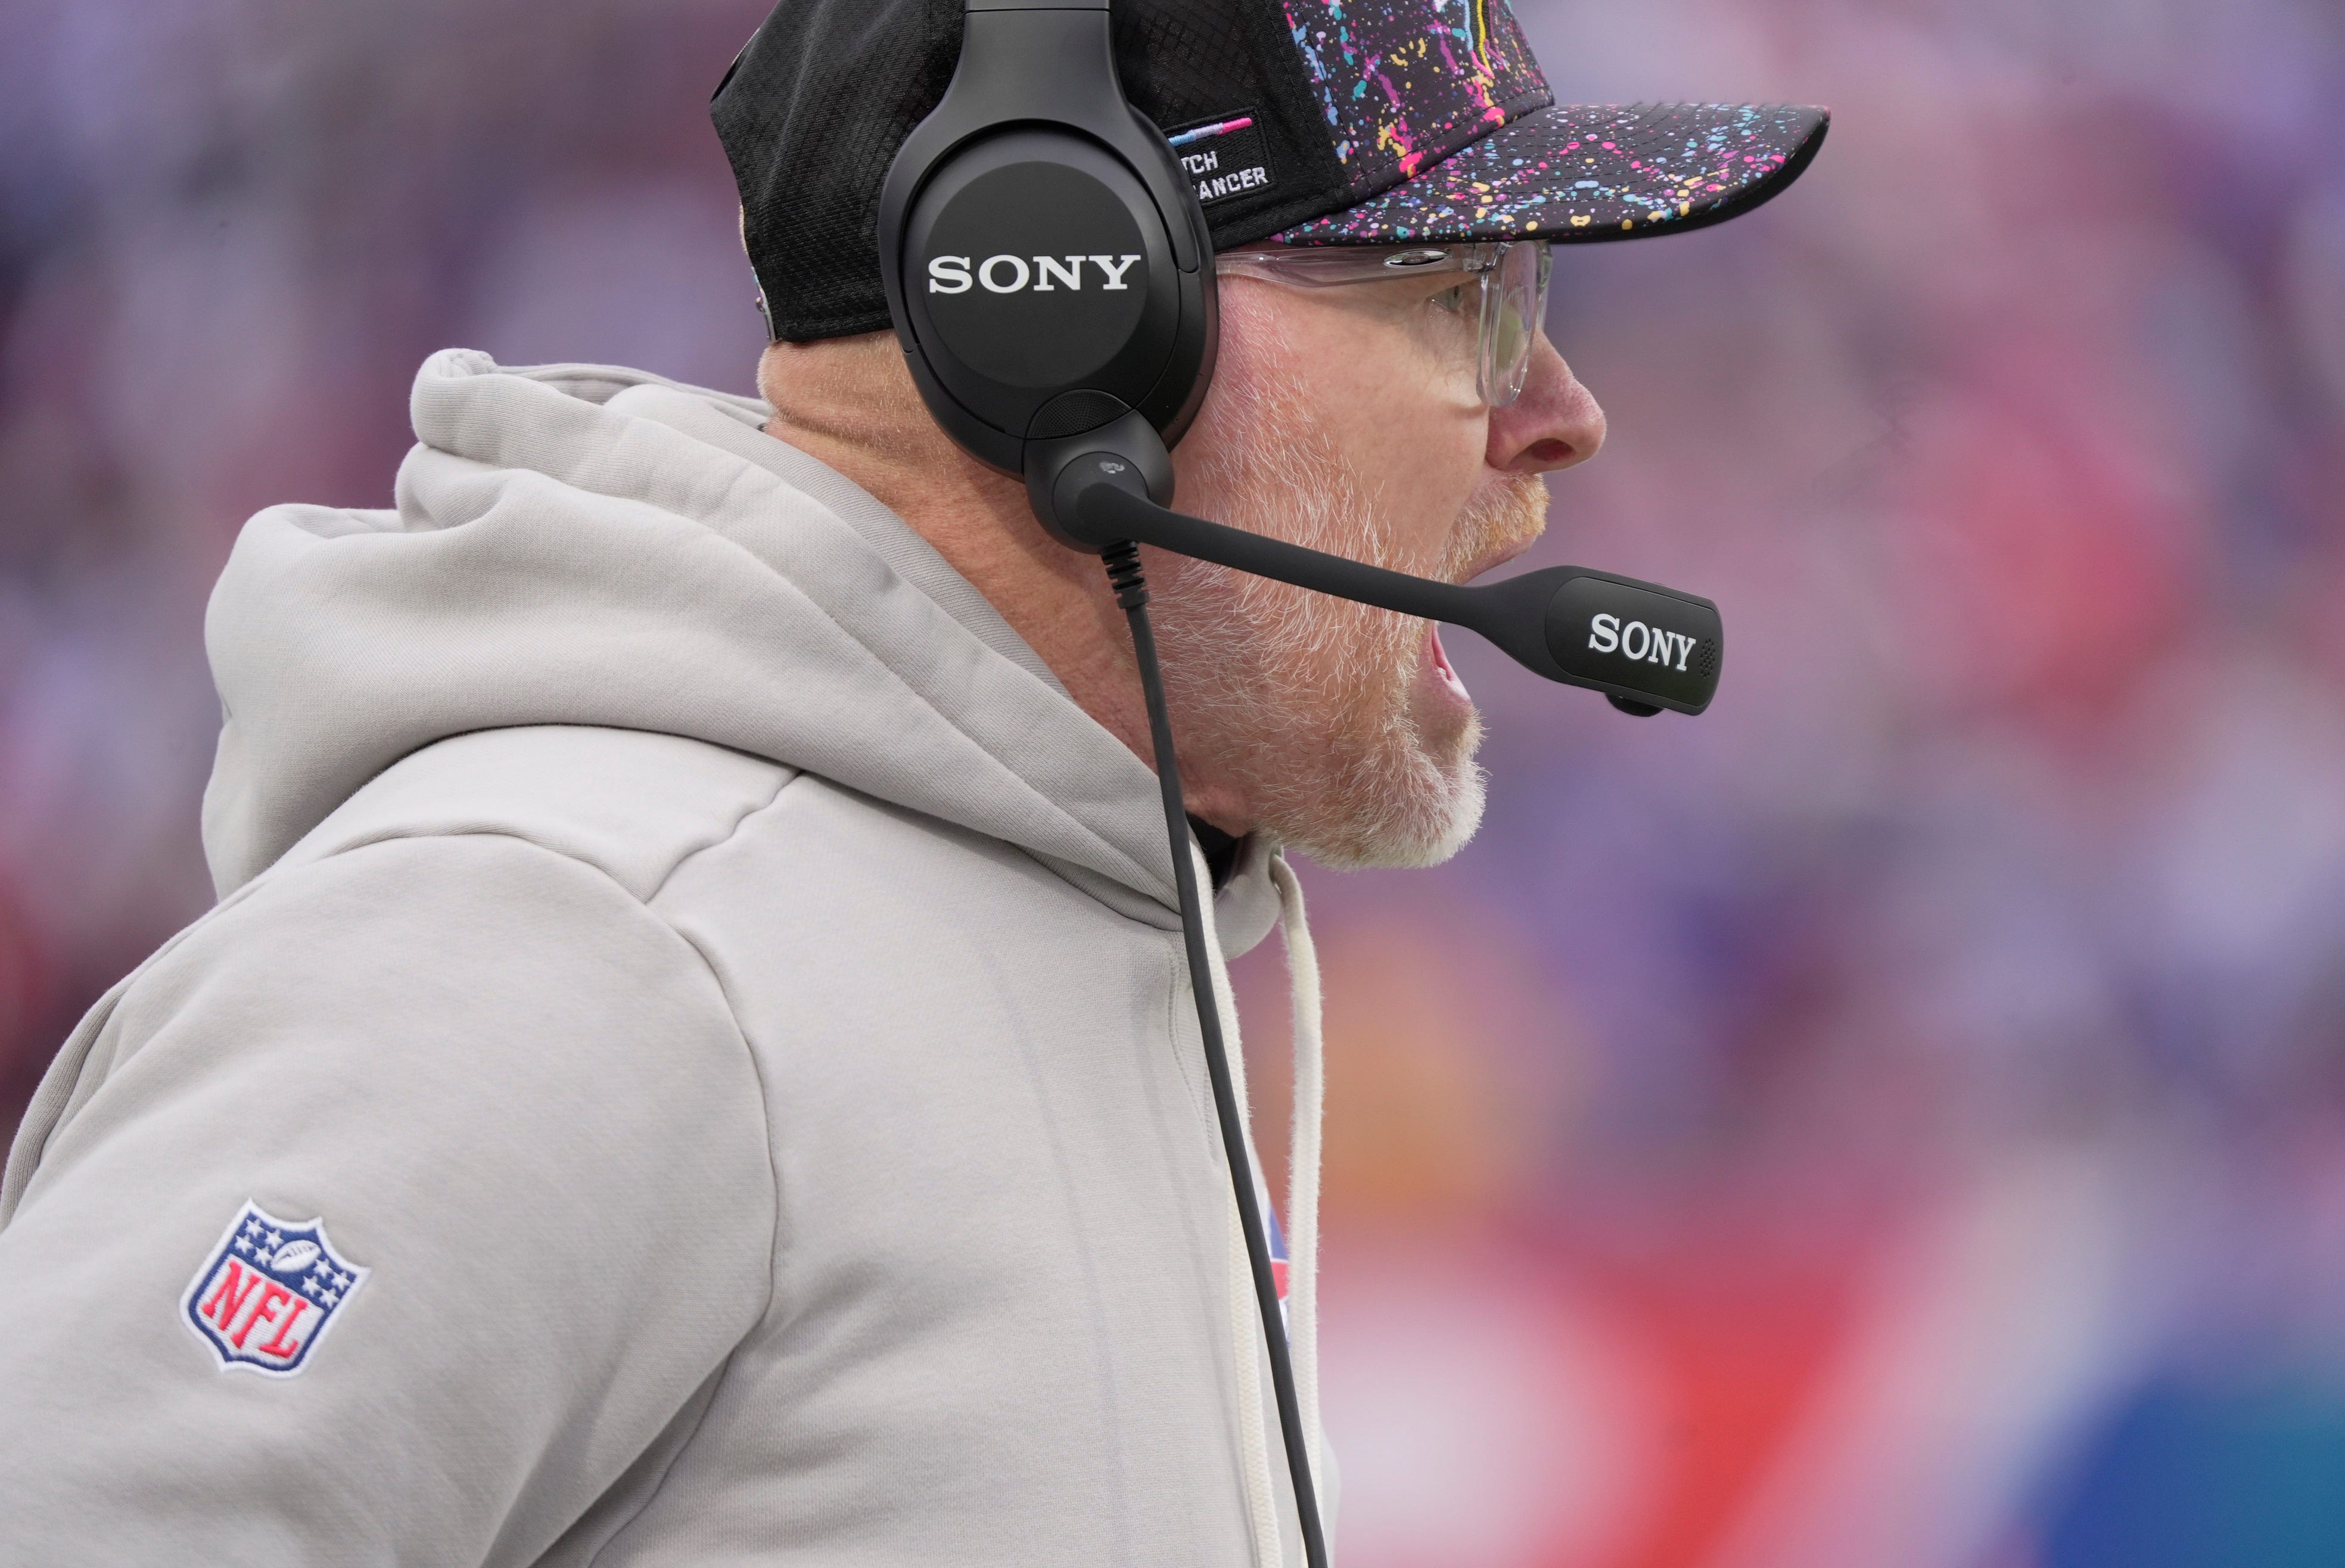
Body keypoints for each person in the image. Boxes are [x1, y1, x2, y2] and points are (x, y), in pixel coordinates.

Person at [0, 1, 1824, 1561]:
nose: (1561, 412)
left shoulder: (1053, 940)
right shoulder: (574, 960)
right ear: (1074, 317)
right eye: (1463, 296)